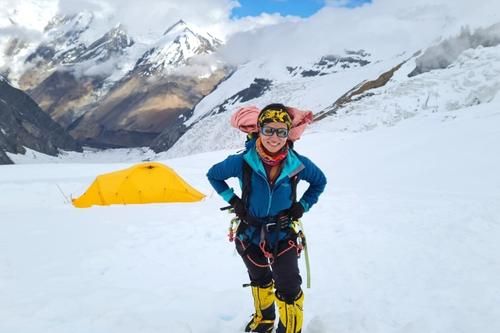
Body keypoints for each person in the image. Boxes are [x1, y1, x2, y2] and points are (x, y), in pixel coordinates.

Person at [207, 103, 327, 333]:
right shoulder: (243, 161)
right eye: (268, 130)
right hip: (250, 232)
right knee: (259, 278)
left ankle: (290, 329)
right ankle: (265, 319)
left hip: (283, 234)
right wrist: (234, 201)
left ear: (287, 133)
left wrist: (302, 206)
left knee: (289, 287)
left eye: (281, 131)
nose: (274, 137)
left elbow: (319, 182)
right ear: (259, 130)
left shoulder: (296, 163)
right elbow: (214, 176)